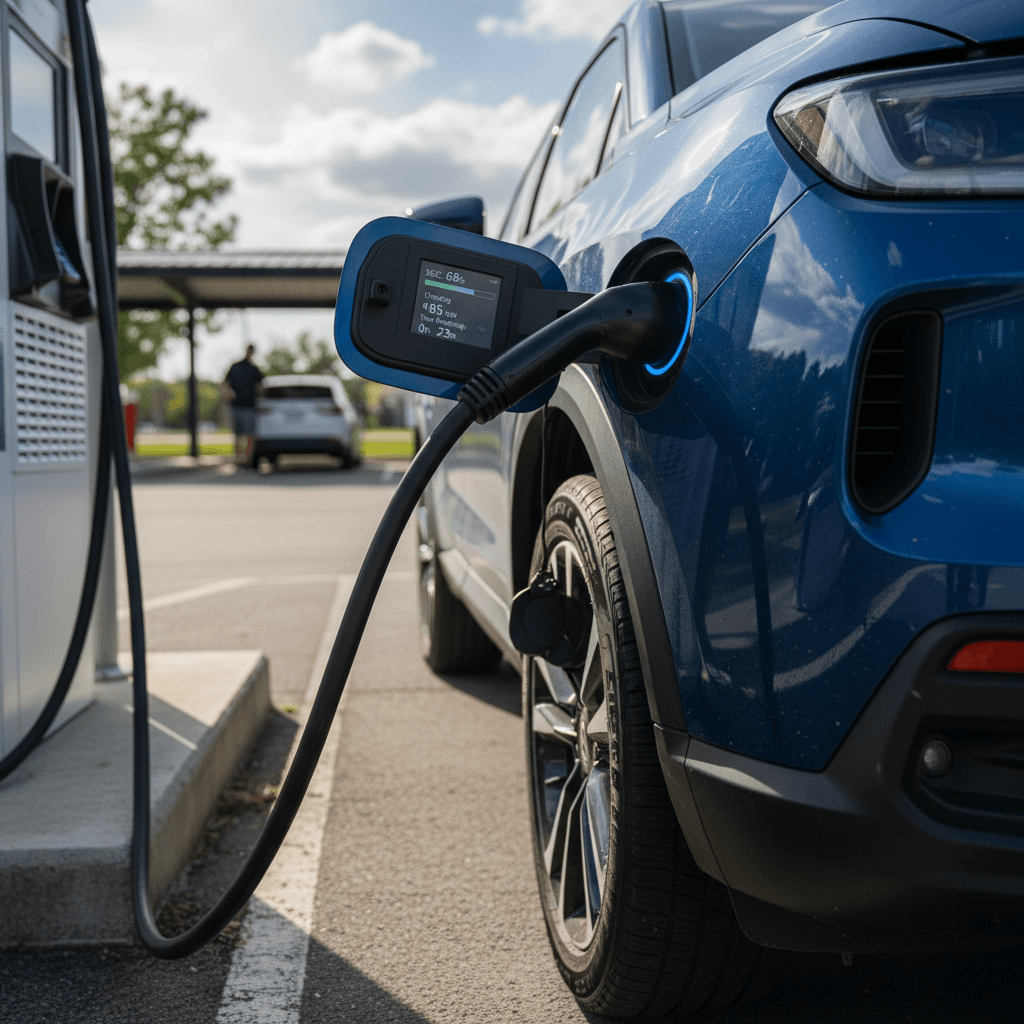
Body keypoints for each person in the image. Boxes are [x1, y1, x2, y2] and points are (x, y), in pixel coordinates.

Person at [223, 344, 264, 466]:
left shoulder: (254, 369)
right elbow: (225, 382)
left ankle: (247, 461)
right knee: (240, 435)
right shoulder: (236, 367)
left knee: (248, 436)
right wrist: (229, 392)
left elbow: (259, 387)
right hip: (237, 406)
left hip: (248, 406)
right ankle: (239, 460)